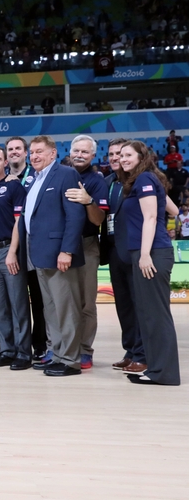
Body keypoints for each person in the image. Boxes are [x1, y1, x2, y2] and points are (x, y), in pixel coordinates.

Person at [16, 136, 86, 377]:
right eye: (31, 152)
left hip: (59, 255)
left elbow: (75, 215)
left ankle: (70, 360)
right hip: (40, 256)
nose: (34, 156)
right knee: (51, 310)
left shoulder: (66, 174)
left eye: (39, 152)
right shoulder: (35, 179)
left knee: (66, 309)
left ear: (53, 153)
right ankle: (57, 355)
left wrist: (67, 250)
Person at [116, 140, 180, 385]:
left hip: (151, 253)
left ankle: (163, 373)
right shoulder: (146, 179)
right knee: (149, 314)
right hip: (148, 251)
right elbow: (172, 210)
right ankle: (156, 369)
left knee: (155, 315)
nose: (123, 159)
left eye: (128, 155)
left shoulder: (143, 179)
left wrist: (144, 255)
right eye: (121, 155)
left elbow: (151, 216)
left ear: (141, 156)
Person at [100, 138, 146, 374]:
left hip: (135, 251)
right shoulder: (108, 182)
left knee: (139, 305)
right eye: (111, 154)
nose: (115, 157)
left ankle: (142, 353)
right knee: (124, 306)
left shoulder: (139, 181)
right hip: (113, 251)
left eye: (120, 153)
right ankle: (130, 352)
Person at [0, 147, 31, 370]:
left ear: (5, 162)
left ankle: (23, 353)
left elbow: (18, 222)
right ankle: (6, 350)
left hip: (8, 251)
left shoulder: (14, 187)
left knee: (17, 303)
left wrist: (12, 252)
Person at [64, 135, 108, 369]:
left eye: (85, 152)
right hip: (61, 246)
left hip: (86, 244)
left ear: (92, 156)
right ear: (69, 151)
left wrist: (88, 201)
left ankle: (85, 350)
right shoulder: (61, 174)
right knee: (64, 301)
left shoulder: (96, 181)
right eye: (76, 151)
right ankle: (63, 348)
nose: (79, 155)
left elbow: (99, 218)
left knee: (86, 303)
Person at [5, 136, 46, 361]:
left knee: (38, 297)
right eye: (10, 149)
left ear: (26, 152)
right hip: (9, 247)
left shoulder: (36, 175)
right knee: (16, 299)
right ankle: (17, 346)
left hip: (32, 245)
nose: (14, 152)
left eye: (18, 148)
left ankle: (40, 343)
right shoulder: (0, 179)